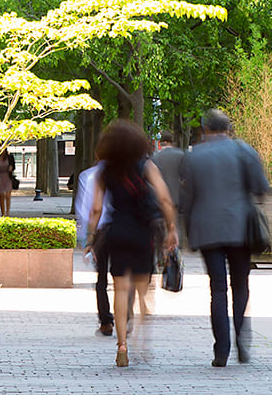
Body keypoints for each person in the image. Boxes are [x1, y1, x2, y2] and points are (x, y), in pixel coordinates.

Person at [178, 109, 272, 367]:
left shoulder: (194, 155)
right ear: (229, 128)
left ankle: (221, 350)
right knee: (240, 284)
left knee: (217, 288)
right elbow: (261, 187)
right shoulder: (244, 151)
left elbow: (188, 198)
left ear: (205, 129)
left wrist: (188, 233)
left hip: (207, 229)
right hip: (240, 227)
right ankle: (242, 336)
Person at [86, 120, 180, 368]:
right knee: (143, 291)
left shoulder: (105, 171)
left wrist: (90, 236)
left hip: (117, 232)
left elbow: (96, 208)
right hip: (142, 233)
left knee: (120, 289)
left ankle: (121, 346)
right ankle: (140, 339)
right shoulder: (146, 165)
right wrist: (171, 229)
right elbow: (165, 199)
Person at [72, 160, 114, 337]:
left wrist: (88, 239)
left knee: (102, 278)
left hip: (101, 231)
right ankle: (125, 318)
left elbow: (87, 209)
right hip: (124, 228)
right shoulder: (130, 171)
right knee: (123, 277)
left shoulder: (89, 175)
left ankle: (105, 321)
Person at [0, 150, 17, 216]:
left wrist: (11, 168)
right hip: (0, 177)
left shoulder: (9, 157)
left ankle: (7, 212)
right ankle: (3, 213)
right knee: (1, 196)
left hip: (7, 176)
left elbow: (13, 165)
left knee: (8, 195)